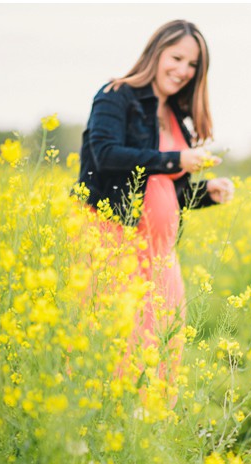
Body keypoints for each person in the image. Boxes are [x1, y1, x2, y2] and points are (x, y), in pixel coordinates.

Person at [75, 20, 233, 407]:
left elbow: (164, 189)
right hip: (113, 237)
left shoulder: (177, 115)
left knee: (164, 339)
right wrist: (178, 158)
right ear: (156, 53)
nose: (183, 70)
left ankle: (148, 431)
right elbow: (106, 156)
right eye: (177, 58)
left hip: (161, 251)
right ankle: (101, 427)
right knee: (116, 342)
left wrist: (206, 193)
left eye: (193, 65)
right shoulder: (117, 96)